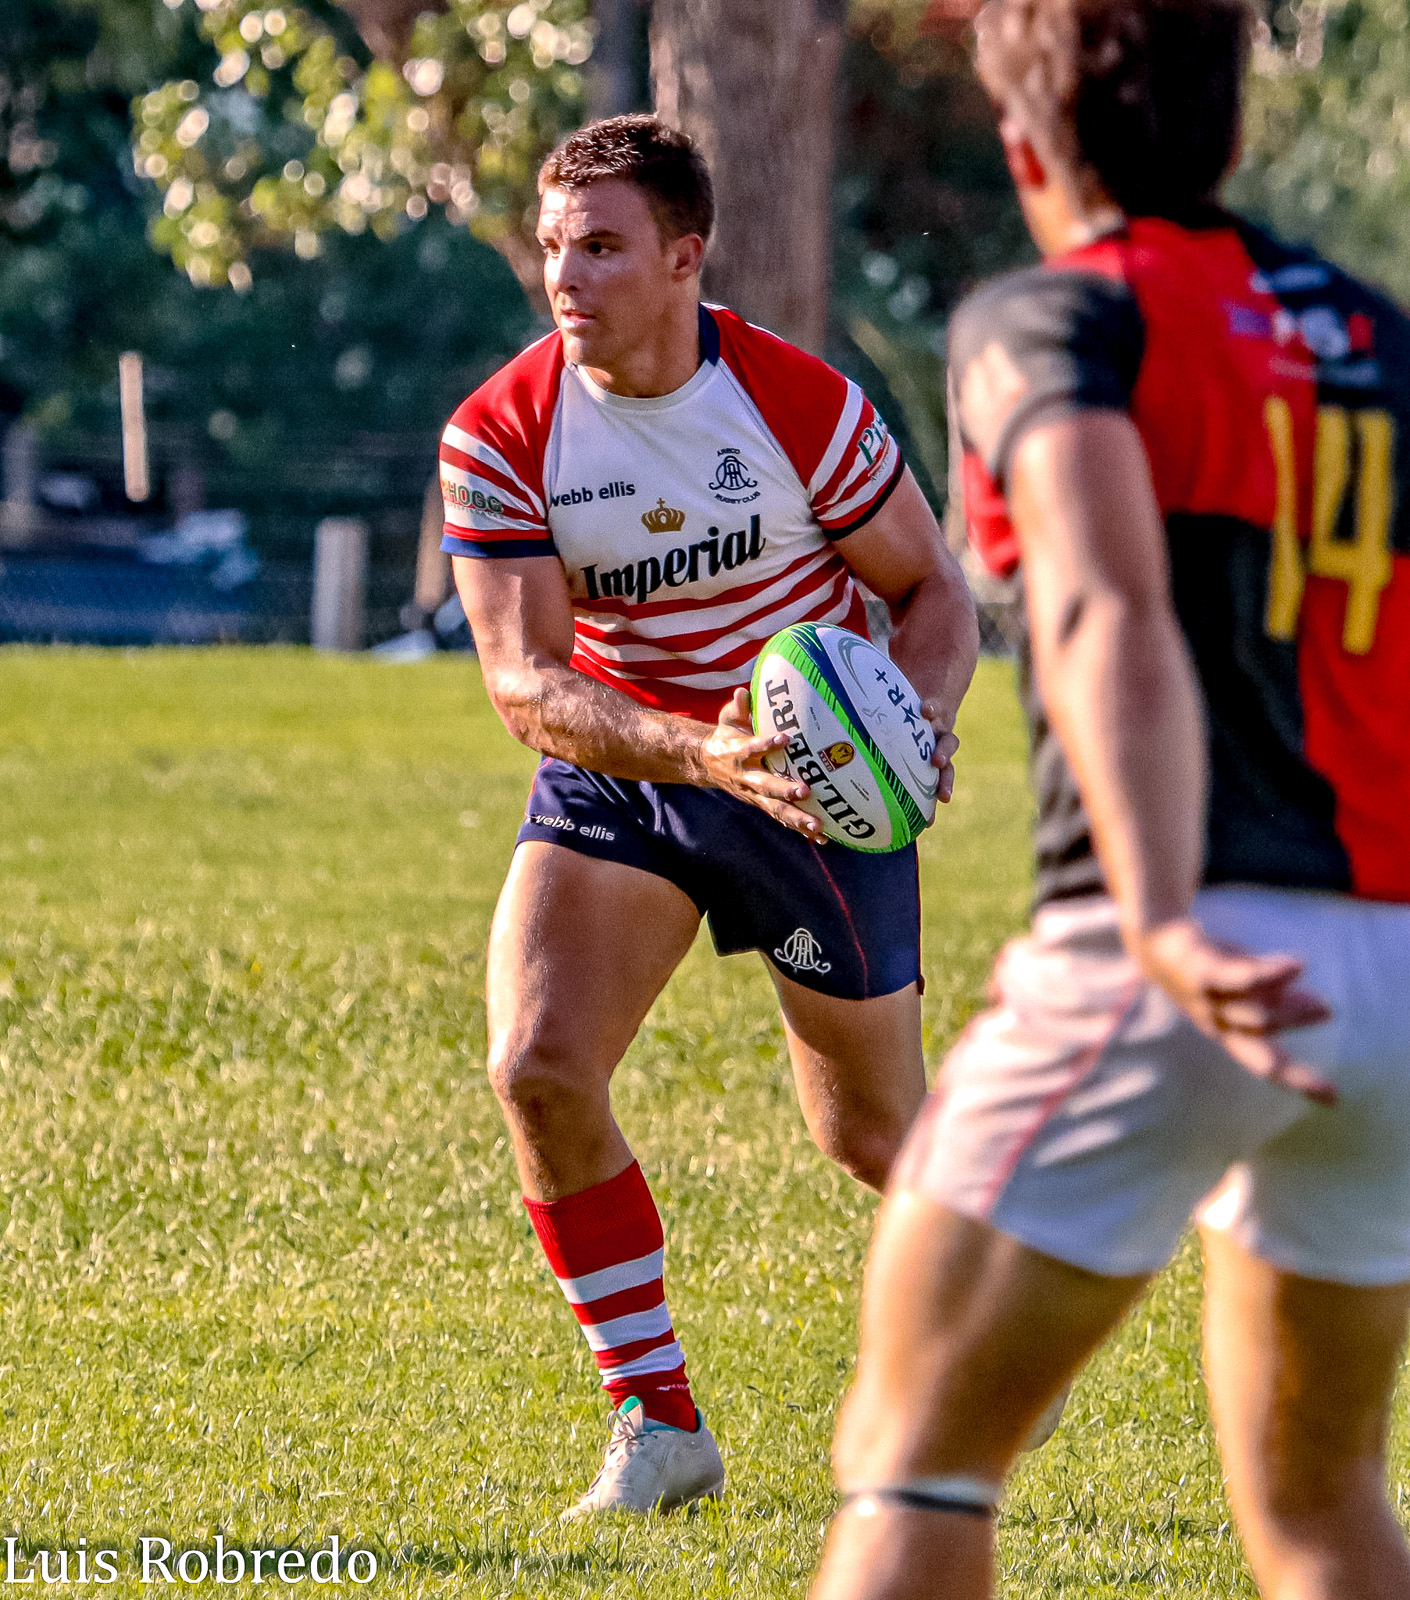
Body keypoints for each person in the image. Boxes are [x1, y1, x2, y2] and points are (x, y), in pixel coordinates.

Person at [810, 0, 1410, 1593]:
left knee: (913, 1463)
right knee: (1319, 1500)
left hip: (1176, 954)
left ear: (1022, 150)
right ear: (1230, 126)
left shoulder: (1053, 322)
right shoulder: (1377, 339)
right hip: (1398, 979)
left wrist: (1151, 918)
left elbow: (1099, 605)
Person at [440, 114, 979, 1519]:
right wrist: (689, 750)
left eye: (604, 246)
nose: (570, 274)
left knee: (871, 1136)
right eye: (557, 245)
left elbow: (931, 593)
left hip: (807, 782)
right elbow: (523, 679)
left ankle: (991, 1334)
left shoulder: (794, 402)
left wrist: (910, 728)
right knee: (537, 1067)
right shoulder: (502, 433)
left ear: (685, 257)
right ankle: (657, 1420)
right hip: (627, 761)